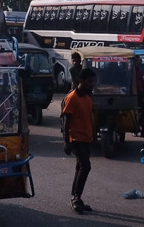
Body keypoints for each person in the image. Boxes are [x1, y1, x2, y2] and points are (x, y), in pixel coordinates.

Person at [62, 68, 96, 214]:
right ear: (81, 81)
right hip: (75, 139)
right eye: (89, 82)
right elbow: (66, 122)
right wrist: (66, 142)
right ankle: (76, 197)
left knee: (79, 168)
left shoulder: (88, 98)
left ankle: (76, 198)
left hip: (86, 139)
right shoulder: (72, 98)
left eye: (92, 81)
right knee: (85, 166)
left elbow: (90, 119)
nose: (92, 84)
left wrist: (93, 136)